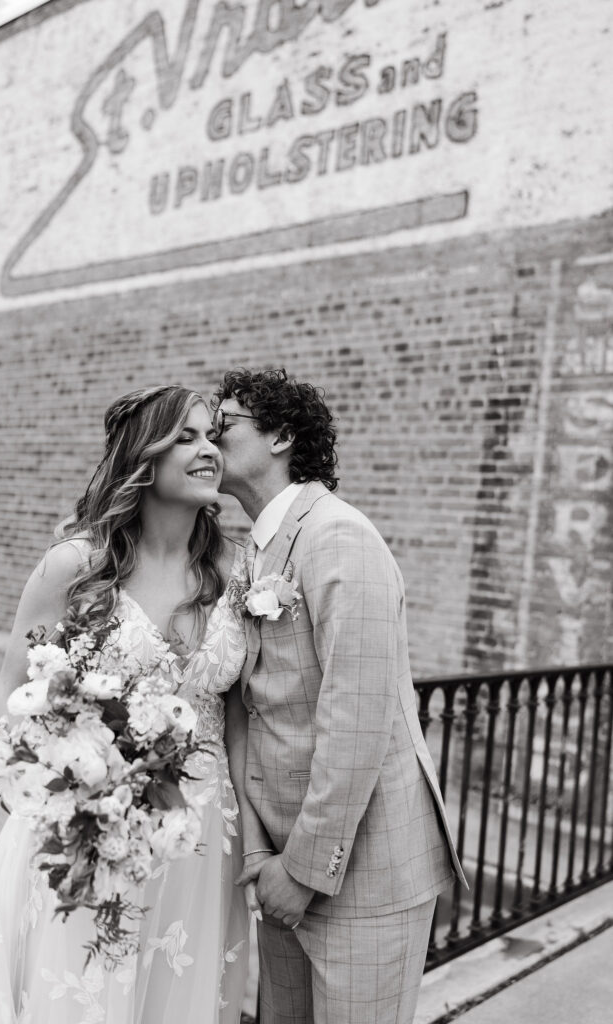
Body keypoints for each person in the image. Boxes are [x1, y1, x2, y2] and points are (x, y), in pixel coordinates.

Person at [0, 385, 254, 1024]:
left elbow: (238, 718)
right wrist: (73, 795)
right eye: (184, 438)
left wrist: (259, 844)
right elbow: (12, 698)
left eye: (209, 436)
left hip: (203, 831)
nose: (207, 450)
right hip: (89, 826)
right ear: (145, 458)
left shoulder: (236, 570)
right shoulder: (77, 565)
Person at [212, 368, 467, 1024]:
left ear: (282, 436)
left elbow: (357, 717)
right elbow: (247, 707)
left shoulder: (339, 537)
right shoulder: (253, 553)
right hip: (277, 867)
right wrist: (259, 855)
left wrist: (301, 871)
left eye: (226, 423)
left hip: (363, 871)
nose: (209, 439)